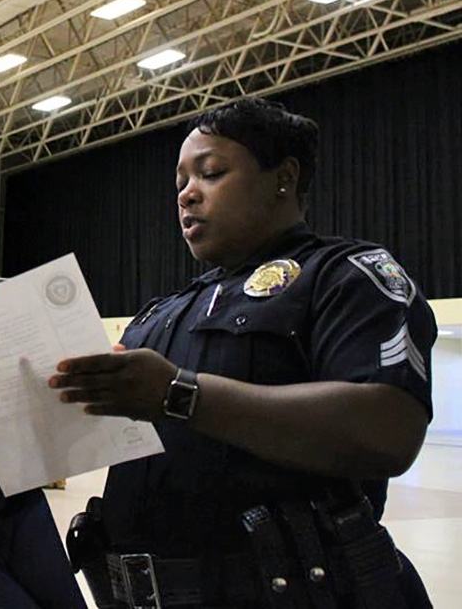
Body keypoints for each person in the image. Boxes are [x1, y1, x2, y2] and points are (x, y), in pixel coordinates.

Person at [52, 97, 434, 608]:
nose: (187, 194)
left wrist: (180, 395)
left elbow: (389, 429)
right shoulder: (160, 315)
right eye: (180, 183)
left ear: (284, 177)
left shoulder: (345, 275)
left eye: (210, 173)